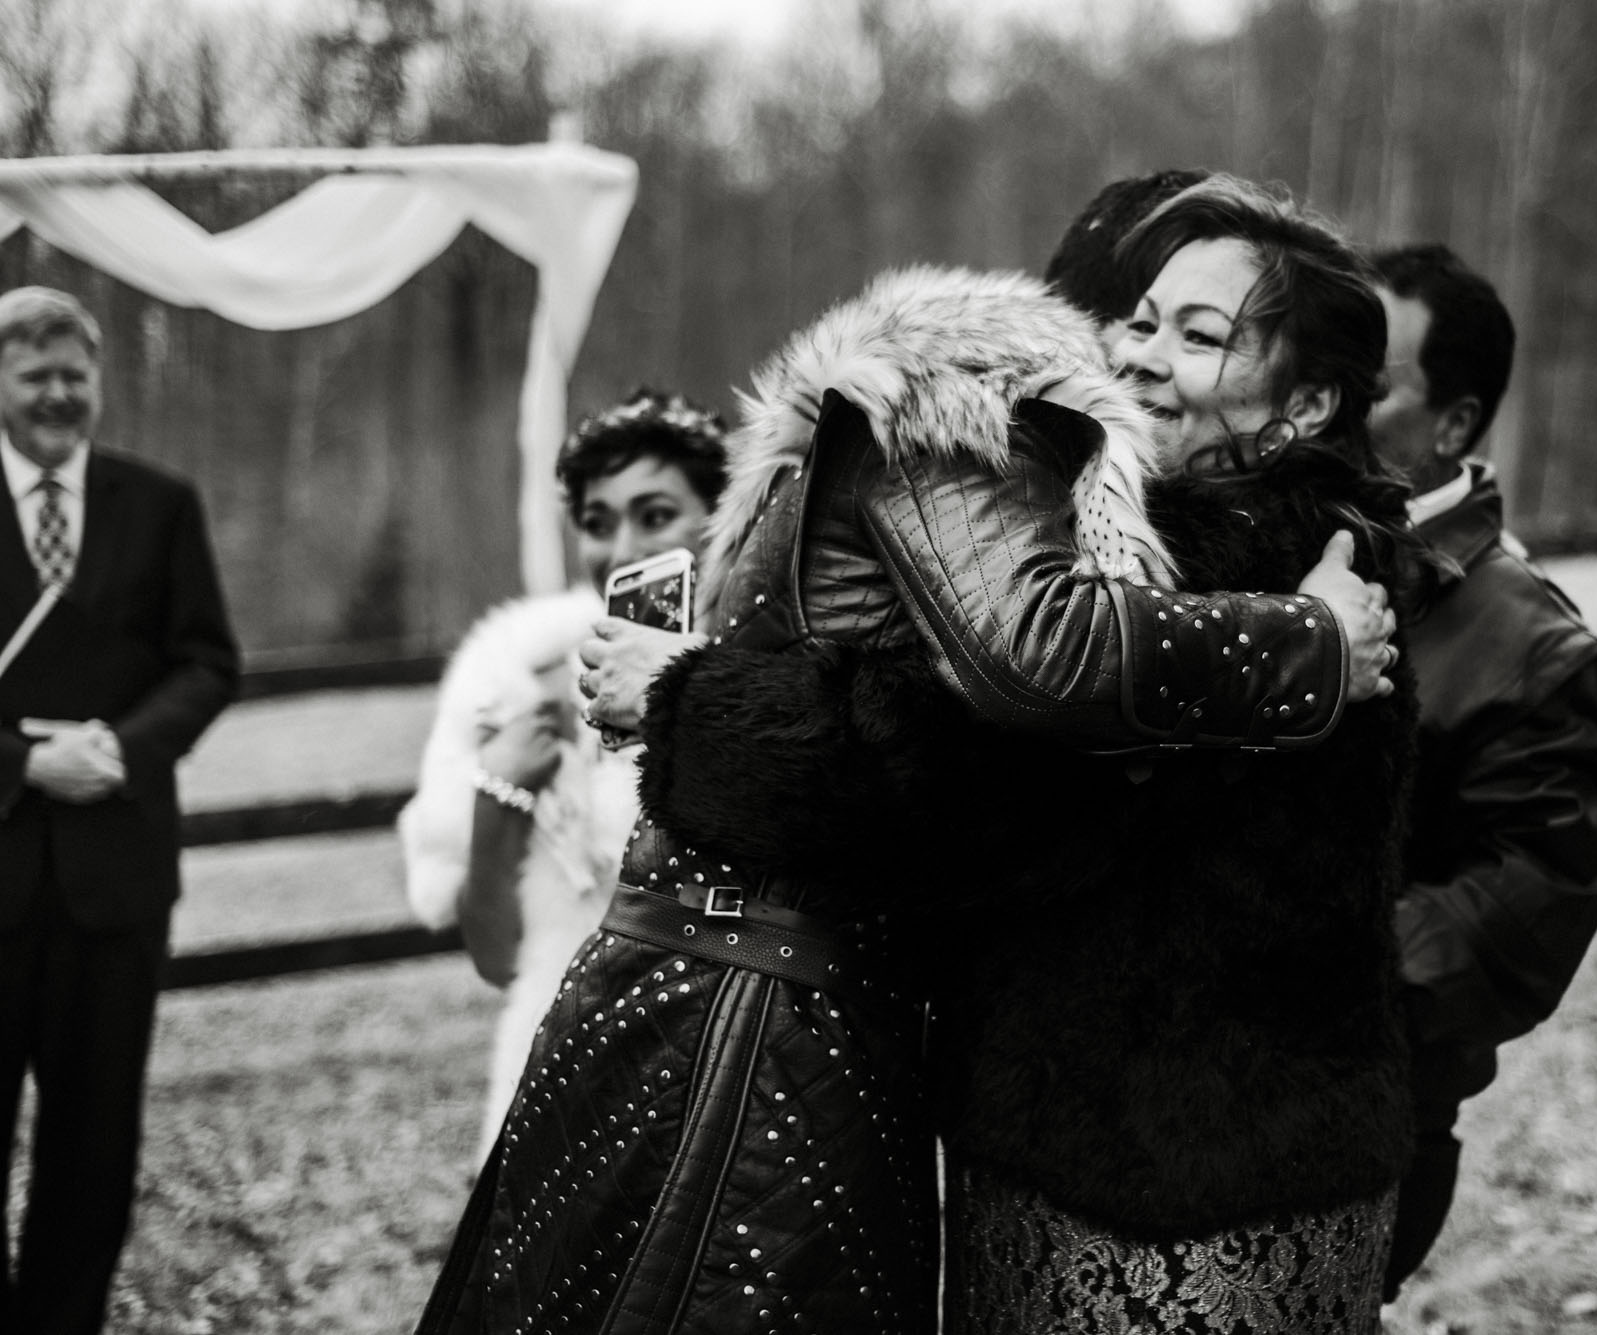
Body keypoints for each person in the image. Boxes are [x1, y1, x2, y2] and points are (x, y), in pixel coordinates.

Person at [417, 259, 1403, 1333]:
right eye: (1135, 320)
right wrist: (1305, 644)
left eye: (1198, 336)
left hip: (813, 1018)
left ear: (1305, 403)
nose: (1138, 359)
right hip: (753, 1017)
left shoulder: (1075, 468)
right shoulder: (966, 406)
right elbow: (1040, 662)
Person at [1365, 243, 1597, 1299]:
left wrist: (1312, 968)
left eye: (1371, 385)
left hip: (1375, 1121)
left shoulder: (1532, 648)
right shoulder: (1272, 554)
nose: (1332, 403)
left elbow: (1529, 904)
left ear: (1453, 425)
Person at [0, 286, 239, 1335]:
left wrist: (124, 751)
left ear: (98, 381)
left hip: (118, 876)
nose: (58, 395)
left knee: (95, 1141)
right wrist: (20, 765)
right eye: (33, 376)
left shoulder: (160, 503)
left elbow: (208, 662)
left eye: (73, 376)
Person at [399, 390, 726, 1151]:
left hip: (719, 1077)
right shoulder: (515, 675)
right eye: (597, 521)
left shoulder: (759, 675)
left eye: (655, 515)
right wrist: (502, 788)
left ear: (719, 516)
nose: (622, 549)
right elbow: (497, 957)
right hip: (559, 1079)